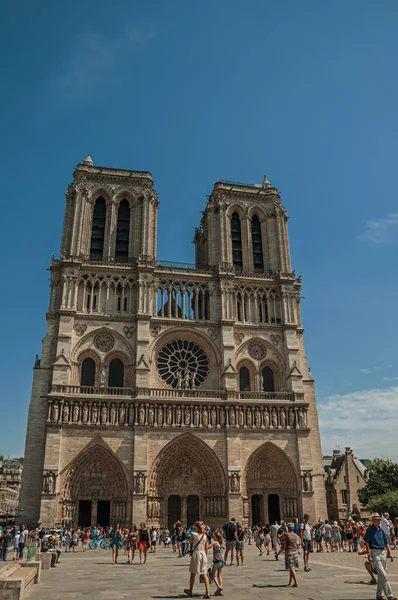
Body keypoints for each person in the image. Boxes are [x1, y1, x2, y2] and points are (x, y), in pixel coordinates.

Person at [363, 512, 396, 600]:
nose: (378, 521)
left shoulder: (381, 530)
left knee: (382, 575)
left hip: (383, 553)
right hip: (375, 552)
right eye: (376, 520)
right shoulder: (370, 530)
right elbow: (366, 542)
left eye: (379, 520)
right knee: (382, 573)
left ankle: (379, 595)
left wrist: (390, 553)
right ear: (373, 521)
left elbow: (386, 542)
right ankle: (390, 596)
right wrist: (369, 555)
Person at [184, 520, 210, 599]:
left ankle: (190, 590)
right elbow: (206, 548)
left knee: (193, 574)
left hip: (196, 554)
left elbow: (189, 542)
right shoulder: (205, 536)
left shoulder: (193, 534)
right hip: (203, 555)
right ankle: (207, 592)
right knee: (204, 574)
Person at [280, 522, 300, 587]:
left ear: (287, 528)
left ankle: (296, 582)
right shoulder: (295, 535)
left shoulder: (286, 534)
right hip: (295, 552)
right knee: (292, 567)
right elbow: (297, 544)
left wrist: (283, 532)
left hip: (289, 552)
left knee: (291, 568)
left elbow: (280, 538)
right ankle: (290, 582)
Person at [209, 529, 225, 596]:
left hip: (217, 561)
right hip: (222, 561)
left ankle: (219, 587)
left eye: (213, 536)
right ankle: (219, 591)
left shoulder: (214, 542)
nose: (212, 537)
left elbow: (207, 547)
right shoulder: (221, 543)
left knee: (213, 575)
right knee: (219, 575)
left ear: (215, 537)